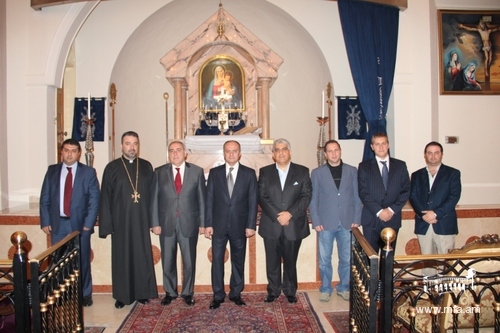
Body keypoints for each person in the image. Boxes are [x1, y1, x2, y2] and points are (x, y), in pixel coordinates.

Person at [99, 131, 158, 309]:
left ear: (138, 146)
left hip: (141, 221)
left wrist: (153, 221)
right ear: (121, 146)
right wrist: (107, 225)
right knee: (122, 258)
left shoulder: (147, 166)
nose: (132, 147)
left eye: (135, 144)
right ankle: (122, 295)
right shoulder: (112, 168)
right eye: (128, 143)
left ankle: (142, 293)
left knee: (141, 256)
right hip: (121, 222)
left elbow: (154, 196)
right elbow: (105, 198)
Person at [39, 138, 100, 307]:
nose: (70, 154)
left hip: (80, 226)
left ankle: (85, 294)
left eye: (73, 151)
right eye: (66, 150)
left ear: (79, 153)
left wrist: (88, 224)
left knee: (82, 261)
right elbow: (44, 198)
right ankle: (61, 294)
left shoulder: (88, 172)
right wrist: (45, 220)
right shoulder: (52, 171)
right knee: (58, 261)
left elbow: (94, 200)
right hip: (58, 224)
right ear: (62, 152)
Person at [150, 140, 206, 306]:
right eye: (172, 150)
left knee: (189, 261)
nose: (175, 153)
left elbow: (202, 199)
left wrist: (202, 223)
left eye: (178, 150)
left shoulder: (197, 171)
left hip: (189, 223)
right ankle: (170, 292)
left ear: (185, 153)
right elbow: (154, 199)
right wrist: (154, 222)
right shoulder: (159, 172)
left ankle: (188, 293)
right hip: (166, 223)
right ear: (169, 154)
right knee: (167, 261)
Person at [204, 140, 258, 309]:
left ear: (240, 153)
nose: (232, 154)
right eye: (228, 151)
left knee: (238, 261)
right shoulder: (214, 173)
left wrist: (250, 225)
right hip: (218, 226)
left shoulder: (249, 174)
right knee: (217, 261)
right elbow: (209, 200)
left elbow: (253, 201)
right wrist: (208, 224)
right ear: (224, 153)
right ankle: (218, 295)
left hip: (240, 226)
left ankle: (236, 293)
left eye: (235, 151)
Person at [258, 138, 312, 304]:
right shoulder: (265, 172)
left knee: (290, 260)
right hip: (271, 224)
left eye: (284, 149)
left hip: (293, 224)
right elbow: (262, 196)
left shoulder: (302, 171)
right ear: (273, 154)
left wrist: (289, 214)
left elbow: (306, 196)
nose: (280, 152)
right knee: (272, 261)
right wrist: (278, 215)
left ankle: (290, 290)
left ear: (290, 152)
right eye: (277, 150)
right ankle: (273, 290)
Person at [309, 140, 362, 302]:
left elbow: (357, 197)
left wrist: (356, 218)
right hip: (325, 222)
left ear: (340, 151)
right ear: (325, 154)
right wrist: (315, 220)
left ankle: (344, 286)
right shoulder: (317, 173)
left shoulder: (352, 171)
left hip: (347, 222)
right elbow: (313, 199)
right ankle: (326, 288)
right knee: (325, 259)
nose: (333, 153)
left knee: (346, 258)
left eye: (336, 150)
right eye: (330, 151)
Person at [409, 141, 461, 276]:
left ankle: (445, 295)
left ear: (442, 155)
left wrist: (436, 213)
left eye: (436, 153)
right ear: (425, 155)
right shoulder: (416, 175)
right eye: (430, 153)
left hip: (444, 223)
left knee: (446, 262)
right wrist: (425, 215)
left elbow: (454, 197)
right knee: (427, 261)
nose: (433, 156)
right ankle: (429, 292)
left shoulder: (453, 173)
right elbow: (413, 197)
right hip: (424, 224)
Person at [357, 132, 410, 253]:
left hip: (393, 218)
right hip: (371, 219)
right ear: (372, 147)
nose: (381, 147)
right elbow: (363, 192)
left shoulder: (400, 165)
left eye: (383, 143)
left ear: (388, 145)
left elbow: (406, 190)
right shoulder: (364, 167)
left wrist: (391, 210)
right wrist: (379, 211)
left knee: (388, 259)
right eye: (377, 144)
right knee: (370, 259)